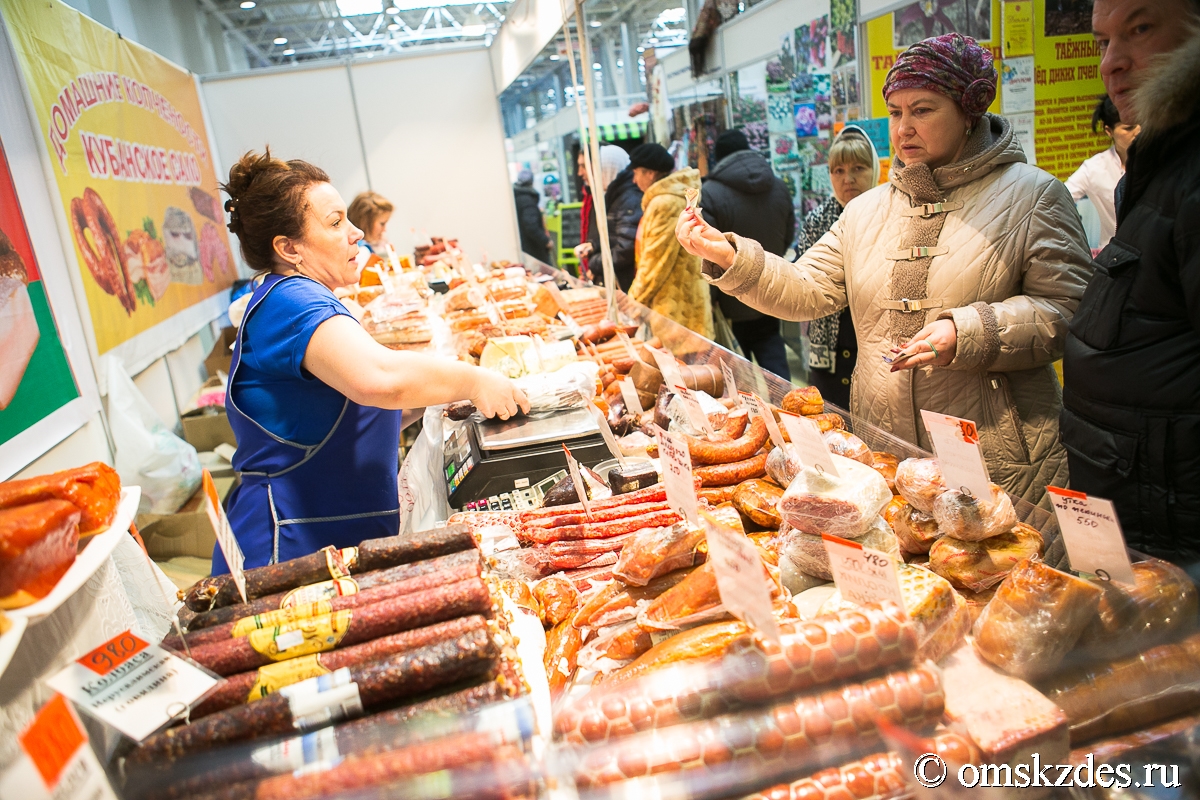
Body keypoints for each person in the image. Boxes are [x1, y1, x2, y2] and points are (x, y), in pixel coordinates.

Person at [676, 33, 1093, 507]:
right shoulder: (867, 210)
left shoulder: (1033, 196)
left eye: (923, 109)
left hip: (996, 451)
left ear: (968, 111)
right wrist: (731, 257)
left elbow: (1068, 309)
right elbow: (806, 289)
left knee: (1006, 572)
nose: (903, 128)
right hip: (886, 448)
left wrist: (968, 330)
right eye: (895, 112)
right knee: (911, 579)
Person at [214, 150, 528, 571]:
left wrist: (425, 404)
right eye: (335, 222)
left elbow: (339, 415)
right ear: (288, 248)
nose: (356, 232)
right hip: (288, 544)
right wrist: (474, 380)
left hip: (323, 535)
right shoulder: (291, 300)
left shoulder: (299, 295)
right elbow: (378, 378)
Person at [1061, 0, 1200, 563]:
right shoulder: (1161, 166)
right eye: (1101, 42)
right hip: (1137, 516)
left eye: (1139, 29)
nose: (1110, 64)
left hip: (1175, 537)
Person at [700, 129, 794, 380]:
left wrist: (711, 299)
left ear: (718, 158)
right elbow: (787, 236)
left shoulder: (709, 193)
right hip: (773, 290)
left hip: (732, 300)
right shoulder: (778, 186)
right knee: (776, 364)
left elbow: (706, 252)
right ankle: (791, 413)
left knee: (737, 377)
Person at [797, 126, 881, 406]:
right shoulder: (816, 220)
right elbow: (802, 281)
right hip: (828, 346)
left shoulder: (887, 214)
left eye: (859, 168)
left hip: (874, 342)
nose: (849, 179)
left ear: (874, 169)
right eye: (839, 171)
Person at [629, 142, 713, 337]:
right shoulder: (673, 198)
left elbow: (655, 261)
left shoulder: (665, 203)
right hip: (681, 302)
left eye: (636, 173)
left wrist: (632, 302)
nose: (634, 180)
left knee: (680, 364)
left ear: (650, 173)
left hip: (676, 307)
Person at [1065, 96, 1139, 248]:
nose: (1138, 132)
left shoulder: (1161, 160)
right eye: (1128, 128)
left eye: (1142, 124)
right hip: (1115, 256)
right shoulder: (1094, 168)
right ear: (1109, 131)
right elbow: (1057, 199)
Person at [574, 145, 642, 291]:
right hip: (614, 281)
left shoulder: (628, 199)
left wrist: (594, 264)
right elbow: (612, 235)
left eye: (585, 166)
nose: (581, 173)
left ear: (606, 168)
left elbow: (625, 249)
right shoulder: (608, 196)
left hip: (625, 284)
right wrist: (593, 245)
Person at [513, 168, 551, 263]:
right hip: (534, 251)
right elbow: (531, 226)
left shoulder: (516, 198)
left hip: (525, 249)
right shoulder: (528, 201)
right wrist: (545, 241)